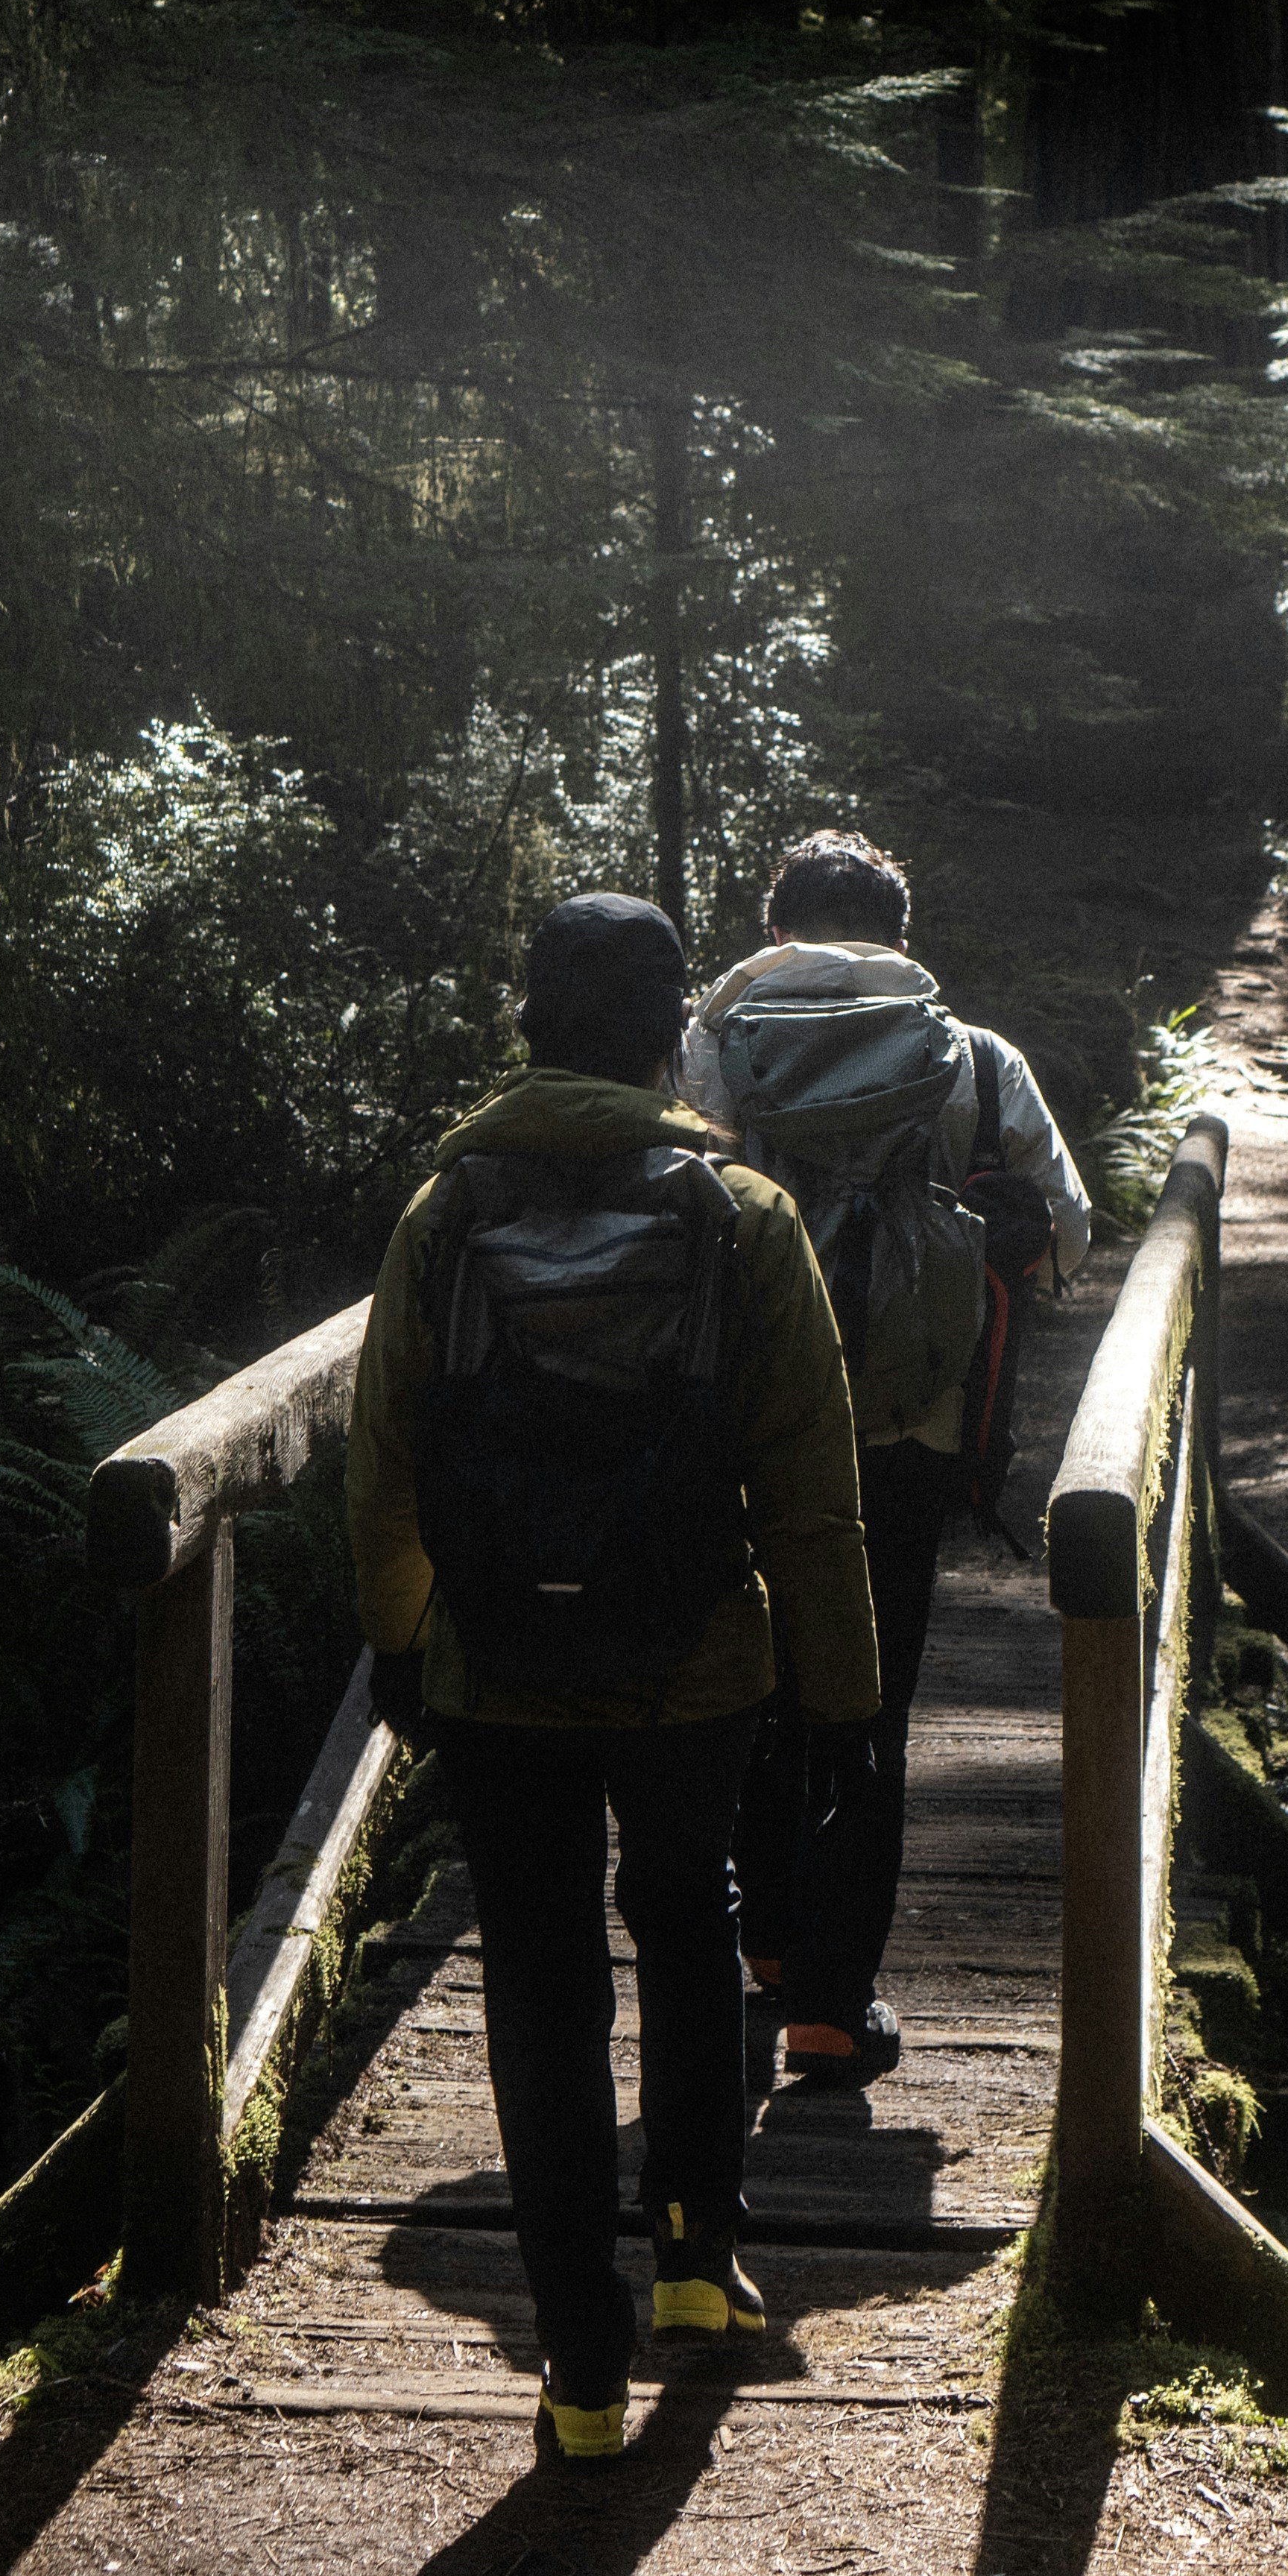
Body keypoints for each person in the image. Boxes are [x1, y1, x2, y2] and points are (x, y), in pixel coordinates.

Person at [347, 891, 881, 2464]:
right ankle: (700, 2266)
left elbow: (385, 1462)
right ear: (669, 1036)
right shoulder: (741, 1215)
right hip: (692, 1655)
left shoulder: (442, 1215)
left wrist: (400, 1635)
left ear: (528, 1025)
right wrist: (839, 1697)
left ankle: (577, 2357)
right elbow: (810, 1488)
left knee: (536, 1975)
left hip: (498, 1659)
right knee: (689, 1915)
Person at [678, 829, 1093, 2086]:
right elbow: (1065, 1232)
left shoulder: (711, 1041)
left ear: (775, 928)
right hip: (909, 1428)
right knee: (871, 1697)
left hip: (744, 1418)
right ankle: (831, 2002)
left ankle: (757, 1942)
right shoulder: (970, 1054)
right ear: (900, 939)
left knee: (746, 1670)